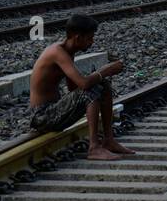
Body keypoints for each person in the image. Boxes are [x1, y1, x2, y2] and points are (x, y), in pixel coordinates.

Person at [29, 14, 133, 161]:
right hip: (42, 117)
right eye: (89, 38)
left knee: (102, 85)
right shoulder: (57, 52)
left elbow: (74, 88)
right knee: (91, 89)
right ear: (77, 38)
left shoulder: (68, 52)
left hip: (54, 111)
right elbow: (83, 85)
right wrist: (105, 71)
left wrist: (98, 80)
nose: (92, 42)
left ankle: (109, 140)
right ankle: (94, 148)